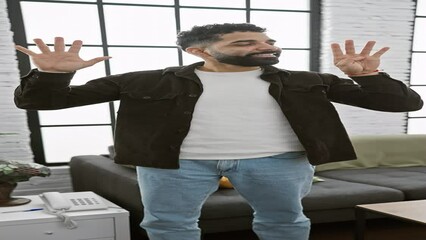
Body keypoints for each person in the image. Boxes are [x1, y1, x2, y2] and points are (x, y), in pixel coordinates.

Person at [14, 23, 423, 240]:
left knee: (285, 222)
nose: (266, 46)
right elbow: (44, 102)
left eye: (268, 40)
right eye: (248, 42)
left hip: (278, 163)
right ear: (199, 50)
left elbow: (401, 104)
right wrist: (51, 74)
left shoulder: (307, 78)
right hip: (175, 167)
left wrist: (370, 77)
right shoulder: (144, 79)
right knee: (169, 227)